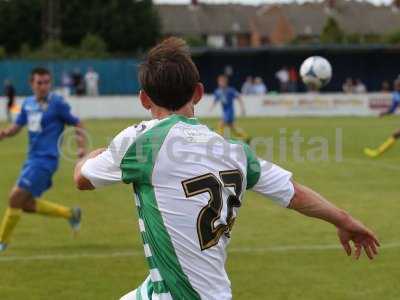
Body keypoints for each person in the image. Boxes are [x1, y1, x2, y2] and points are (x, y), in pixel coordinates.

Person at [73, 37, 379, 300]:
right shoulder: (236, 152)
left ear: (143, 99)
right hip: (207, 292)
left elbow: (82, 179)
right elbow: (294, 193)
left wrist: (93, 153)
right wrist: (345, 220)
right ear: (198, 93)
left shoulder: (141, 142)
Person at [0, 67, 87, 252]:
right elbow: (18, 125)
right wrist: (5, 133)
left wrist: (81, 146)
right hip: (31, 159)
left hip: (46, 160)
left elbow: (77, 123)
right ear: (32, 84)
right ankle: (71, 214)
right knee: (27, 205)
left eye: (47, 82)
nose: (43, 86)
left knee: (15, 198)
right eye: (39, 82)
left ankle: (2, 242)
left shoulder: (57, 103)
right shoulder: (28, 103)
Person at [364, 79, 400, 158]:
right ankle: (376, 153)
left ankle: (376, 153)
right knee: (396, 134)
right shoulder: (396, 95)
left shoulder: (396, 95)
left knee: (396, 134)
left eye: (397, 84)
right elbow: (392, 110)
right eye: (395, 84)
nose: (395, 86)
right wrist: (383, 113)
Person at [210, 74, 249, 141]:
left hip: (230, 112)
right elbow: (216, 100)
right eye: (220, 81)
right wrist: (211, 107)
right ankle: (247, 137)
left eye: (222, 82)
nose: (221, 83)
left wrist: (242, 108)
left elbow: (239, 97)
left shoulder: (230, 90)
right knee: (234, 129)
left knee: (221, 124)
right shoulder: (218, 91)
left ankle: (220, 141)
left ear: (225, 82)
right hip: (225, 112)